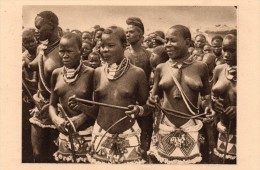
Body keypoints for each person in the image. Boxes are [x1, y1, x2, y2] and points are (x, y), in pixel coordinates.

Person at [73, 25, 151, 164]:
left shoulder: (137, 73)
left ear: (124, 45)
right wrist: (80, 106)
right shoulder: (97, 73)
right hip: (100, 135)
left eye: (110, 45)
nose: (104, 50)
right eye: (102, 46)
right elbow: (96, 111)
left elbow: (148, 109)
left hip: (129, 135)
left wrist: (139, 110)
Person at [147, 25, 215, 164]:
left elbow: (206, 99)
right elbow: (154, 97)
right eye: (166, 41)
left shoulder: (201, 67)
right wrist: (151, 101)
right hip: (165, 126)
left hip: (191, 126)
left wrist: (208, 108)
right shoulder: (161, 68)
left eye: (173, 40)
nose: (168, 45)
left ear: (188, 42)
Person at [49, 33, 96, 163]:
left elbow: (98, 106)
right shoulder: (56, 74)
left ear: (80, 51)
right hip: (64, 135)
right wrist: (55, 119)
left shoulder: (91, 73)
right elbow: (52, 104)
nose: (65, 55)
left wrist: (82, 117)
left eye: (69, 51)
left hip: (87, 134)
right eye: (62, 51)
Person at [27, 11, 63, 162]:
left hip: (59, 108)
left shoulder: (64, 49)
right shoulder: (41, 49)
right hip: (40, 106)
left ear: (52, 26)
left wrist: (52, 104)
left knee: (56, 155)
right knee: (37, 154)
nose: (36, 30)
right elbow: (32, 65)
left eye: (39, 27)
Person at [124, 17, 153, 160]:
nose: (127, 34)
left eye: (131, 31)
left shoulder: (149, 55)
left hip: (145, 102)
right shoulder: (122, 55)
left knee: (145, 136)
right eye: (126, 31)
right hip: (126, 102)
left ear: (141, 35)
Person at [211, 34, 237, 164]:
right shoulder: (219, 69)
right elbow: (212, 96)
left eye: (231, 50)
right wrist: (214, 104)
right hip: (222, 129)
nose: (226, 55)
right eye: (224, 49)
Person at [22, 28, 39, 162]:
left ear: (36, 39)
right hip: (27, 98)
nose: (29, 45)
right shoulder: (22, 57)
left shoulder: (42, 53)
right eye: (25, 42)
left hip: (40, 97)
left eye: (32, 41)